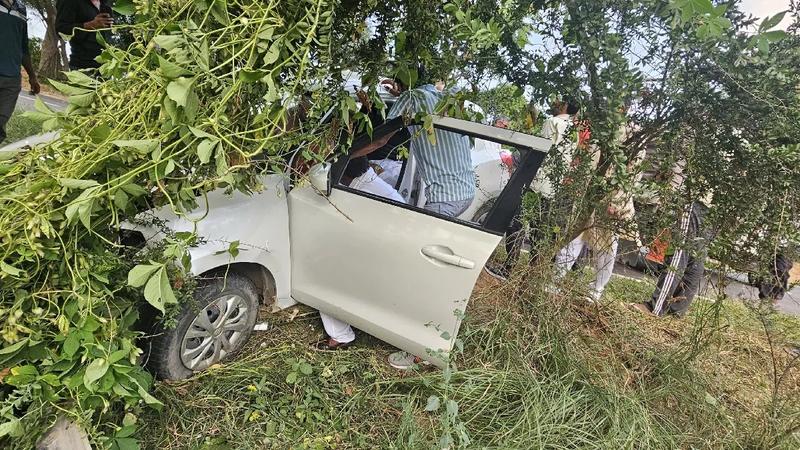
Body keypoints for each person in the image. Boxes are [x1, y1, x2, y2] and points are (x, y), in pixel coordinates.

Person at [314, 156, 406, 350]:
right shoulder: (377, 185)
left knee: (322, 276)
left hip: (382, 258)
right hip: (395, 254)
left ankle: (340, 336)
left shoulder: (359, 195)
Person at [484, 97, 579, 280]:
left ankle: (508, 267)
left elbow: (541, 150)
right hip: (553, 185)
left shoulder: (553, 122)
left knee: (515, 222)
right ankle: (531, 274)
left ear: (565, 105)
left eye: (559, 101)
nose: (555, 103)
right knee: (538, 228)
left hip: (536, 183)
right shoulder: (573, 130)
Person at [385, 78, 476, 217]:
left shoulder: (411, 97)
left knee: (418, 237)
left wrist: (350, 154)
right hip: (466, 193)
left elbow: (381, 138)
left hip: (444, 199)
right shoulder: (447, 100)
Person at [631, 161, 711, 317]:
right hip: (713, 204)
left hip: (694, 198)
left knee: (678, 256)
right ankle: (676, 310)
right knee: (696, 256)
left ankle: (655, 308)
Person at [0, 0, 40, 143]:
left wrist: (32, 76)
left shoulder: (21, 9)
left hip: (12, 79)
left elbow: (23, 47)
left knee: (1, 124)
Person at [56, 0, 113, 71]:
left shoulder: (105, 3)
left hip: (108, 66)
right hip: (83, 67)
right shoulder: (69, 1)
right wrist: (89, 25)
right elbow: (61, 29)